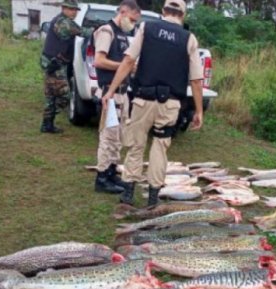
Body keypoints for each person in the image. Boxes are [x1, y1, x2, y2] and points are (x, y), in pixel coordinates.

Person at [101, 0, 204, 206]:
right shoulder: (189, 38)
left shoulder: (146, 28)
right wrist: (199, 111)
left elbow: (129, 61)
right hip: (170, 105)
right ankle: (153, 197)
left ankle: (128, 194)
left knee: (136, 145)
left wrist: (111, 90)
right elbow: (195, 80)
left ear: (163, 11)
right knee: (160, 148)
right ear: (182, 16)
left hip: (143, 101)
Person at [92, 0, 141, 193]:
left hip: (122, 93)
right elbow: (99, 60)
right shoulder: (107, 31)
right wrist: (125, 67)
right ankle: (102, 177)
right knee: (108, 137)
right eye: (132, 19)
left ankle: (112, 173)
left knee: (119, 136)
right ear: (122, 12)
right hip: (109, 92)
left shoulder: (122, 34)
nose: (134, 24)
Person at [40, 0, 92, 134]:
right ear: (64, 8)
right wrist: (99, 30)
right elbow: (84, 32)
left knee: (51, 95)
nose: (74, 12)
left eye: (75, 10)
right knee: (64, 95)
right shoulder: (63, 23)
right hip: (55, 64)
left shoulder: (63, 20)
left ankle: (47, 124)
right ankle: (48, 122)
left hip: (53, 62)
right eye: (71, 9)